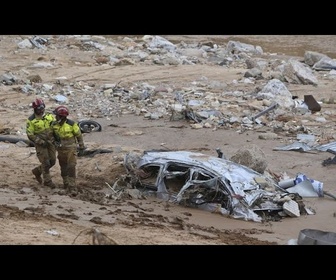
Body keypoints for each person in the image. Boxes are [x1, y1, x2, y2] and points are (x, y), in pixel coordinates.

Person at [51, 105, 85, 196]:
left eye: (57, 115)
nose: (55, 117)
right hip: (61, 149)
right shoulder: (54, 125)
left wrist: (81, 146)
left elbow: (78, 135)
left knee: (71, 166)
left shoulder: (71, 124)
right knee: (63, 167)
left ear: (61, 116)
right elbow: (51, 136)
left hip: (71, 148)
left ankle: (72, 187)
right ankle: (66, 184)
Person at [26, 98, 57, 188]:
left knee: (52, 161)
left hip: (51, 141)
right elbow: (30, 134)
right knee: (46, 162)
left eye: (42, 107)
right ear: (35, 109)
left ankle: (37, 171)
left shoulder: (49, 116)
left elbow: (55, 127)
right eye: (39, 108)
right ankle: (47, 181)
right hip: (40, 143)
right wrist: (39, 141)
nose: (41, 110)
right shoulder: (31, 120)